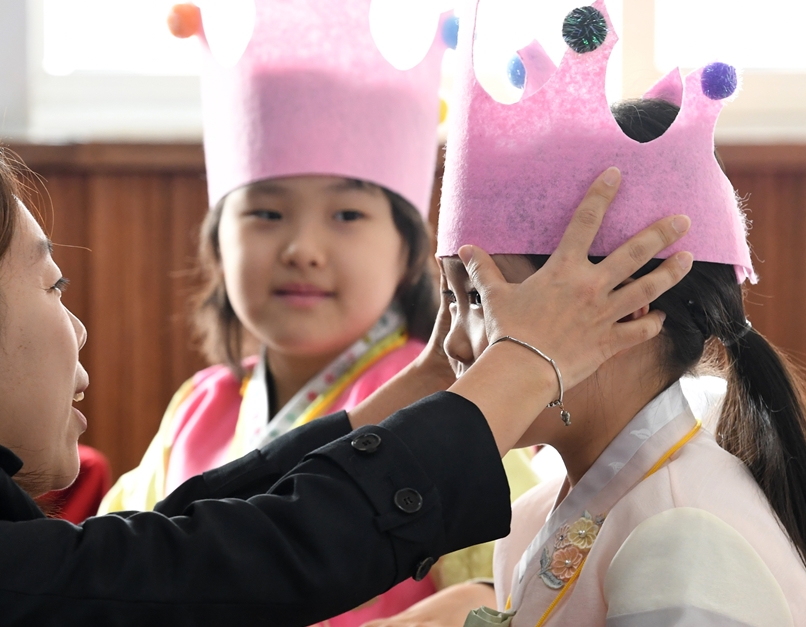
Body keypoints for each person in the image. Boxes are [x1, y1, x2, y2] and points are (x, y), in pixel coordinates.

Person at [0, 125, 691, 625]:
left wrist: (426, 390)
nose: (78, 331)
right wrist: (521, 372)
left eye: (347, 214)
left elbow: (160, 541)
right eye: (55, 286)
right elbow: (193, 574)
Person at [381, 3, 806, 626]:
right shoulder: (534, 516)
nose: (454, 343)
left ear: (624, 308)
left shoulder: (680, 535)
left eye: (480, 298)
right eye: (450, 298)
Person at [101, 2, 538, 622]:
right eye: (266, 213)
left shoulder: (449, 400)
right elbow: (112, 562)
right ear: (217, 241)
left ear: (410, 249)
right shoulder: (197, 407)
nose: (302, 250)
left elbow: (512, 586)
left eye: (347, 215)